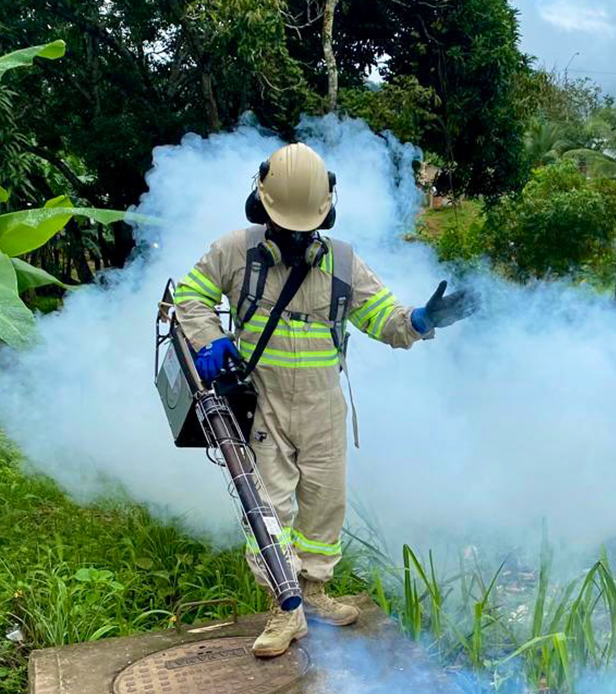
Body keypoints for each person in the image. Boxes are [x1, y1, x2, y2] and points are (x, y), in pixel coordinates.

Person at [173, 142, 475, 657]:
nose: (294, 235)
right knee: (267, 507)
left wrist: (421, 322)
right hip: (263, 400)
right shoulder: (232, 251)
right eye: (284, 224)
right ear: (260, 208)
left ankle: (314, 592)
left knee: (324, 506)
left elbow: (383, 317)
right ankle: (283, 607)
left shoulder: (344, 263)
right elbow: (190, 295)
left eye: (304, 227)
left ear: (325, 216)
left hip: (323, 407)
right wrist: (209, 339)